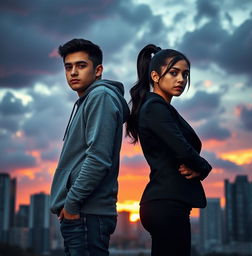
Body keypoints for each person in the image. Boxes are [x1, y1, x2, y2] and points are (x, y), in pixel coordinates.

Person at [126, 44, 212, 256]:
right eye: (174, 73)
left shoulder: (158, 107)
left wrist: (196, 167)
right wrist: (204, 168)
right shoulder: (155, 107)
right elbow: (182, 149)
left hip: (167, 202)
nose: (181, 79)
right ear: (155, 76)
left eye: (185, 74)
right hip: (166, 203)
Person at [50, 38, 129, 256]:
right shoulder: (88, 100)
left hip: (87, 213)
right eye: (68, 67)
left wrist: (72, 204)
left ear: (98, 70)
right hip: (83, 213)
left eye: (81, 65)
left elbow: (98, 158)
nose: (73, 72)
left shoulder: (100, 97)